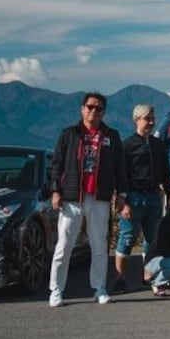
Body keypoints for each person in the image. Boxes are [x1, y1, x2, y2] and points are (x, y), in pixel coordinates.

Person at [47, 92, 128, 307]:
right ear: (82, 108)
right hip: (72, 196)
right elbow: (56, 164)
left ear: (104, 112)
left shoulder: (112, 135)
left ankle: (99, 287)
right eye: (90, 107)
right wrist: (56, 190)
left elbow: (120, 167)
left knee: (99, 245)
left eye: (98, 108)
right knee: (64, 245)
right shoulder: (69, 134)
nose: (94, 111)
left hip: (99, 196)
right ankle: (56, 289)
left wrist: (121, 194)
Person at [112, 103, 170, 295]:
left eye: (153, 118)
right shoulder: (127, 145)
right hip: (133, 196)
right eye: (147, 118)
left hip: (154, 196)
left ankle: (149, 276)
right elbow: (120, 174)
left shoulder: (158, 145)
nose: (151, 122)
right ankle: (120, 278)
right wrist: (123, 201)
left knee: (153, 239)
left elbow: (165, 172)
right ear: (137, 120)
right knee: (127, 238)